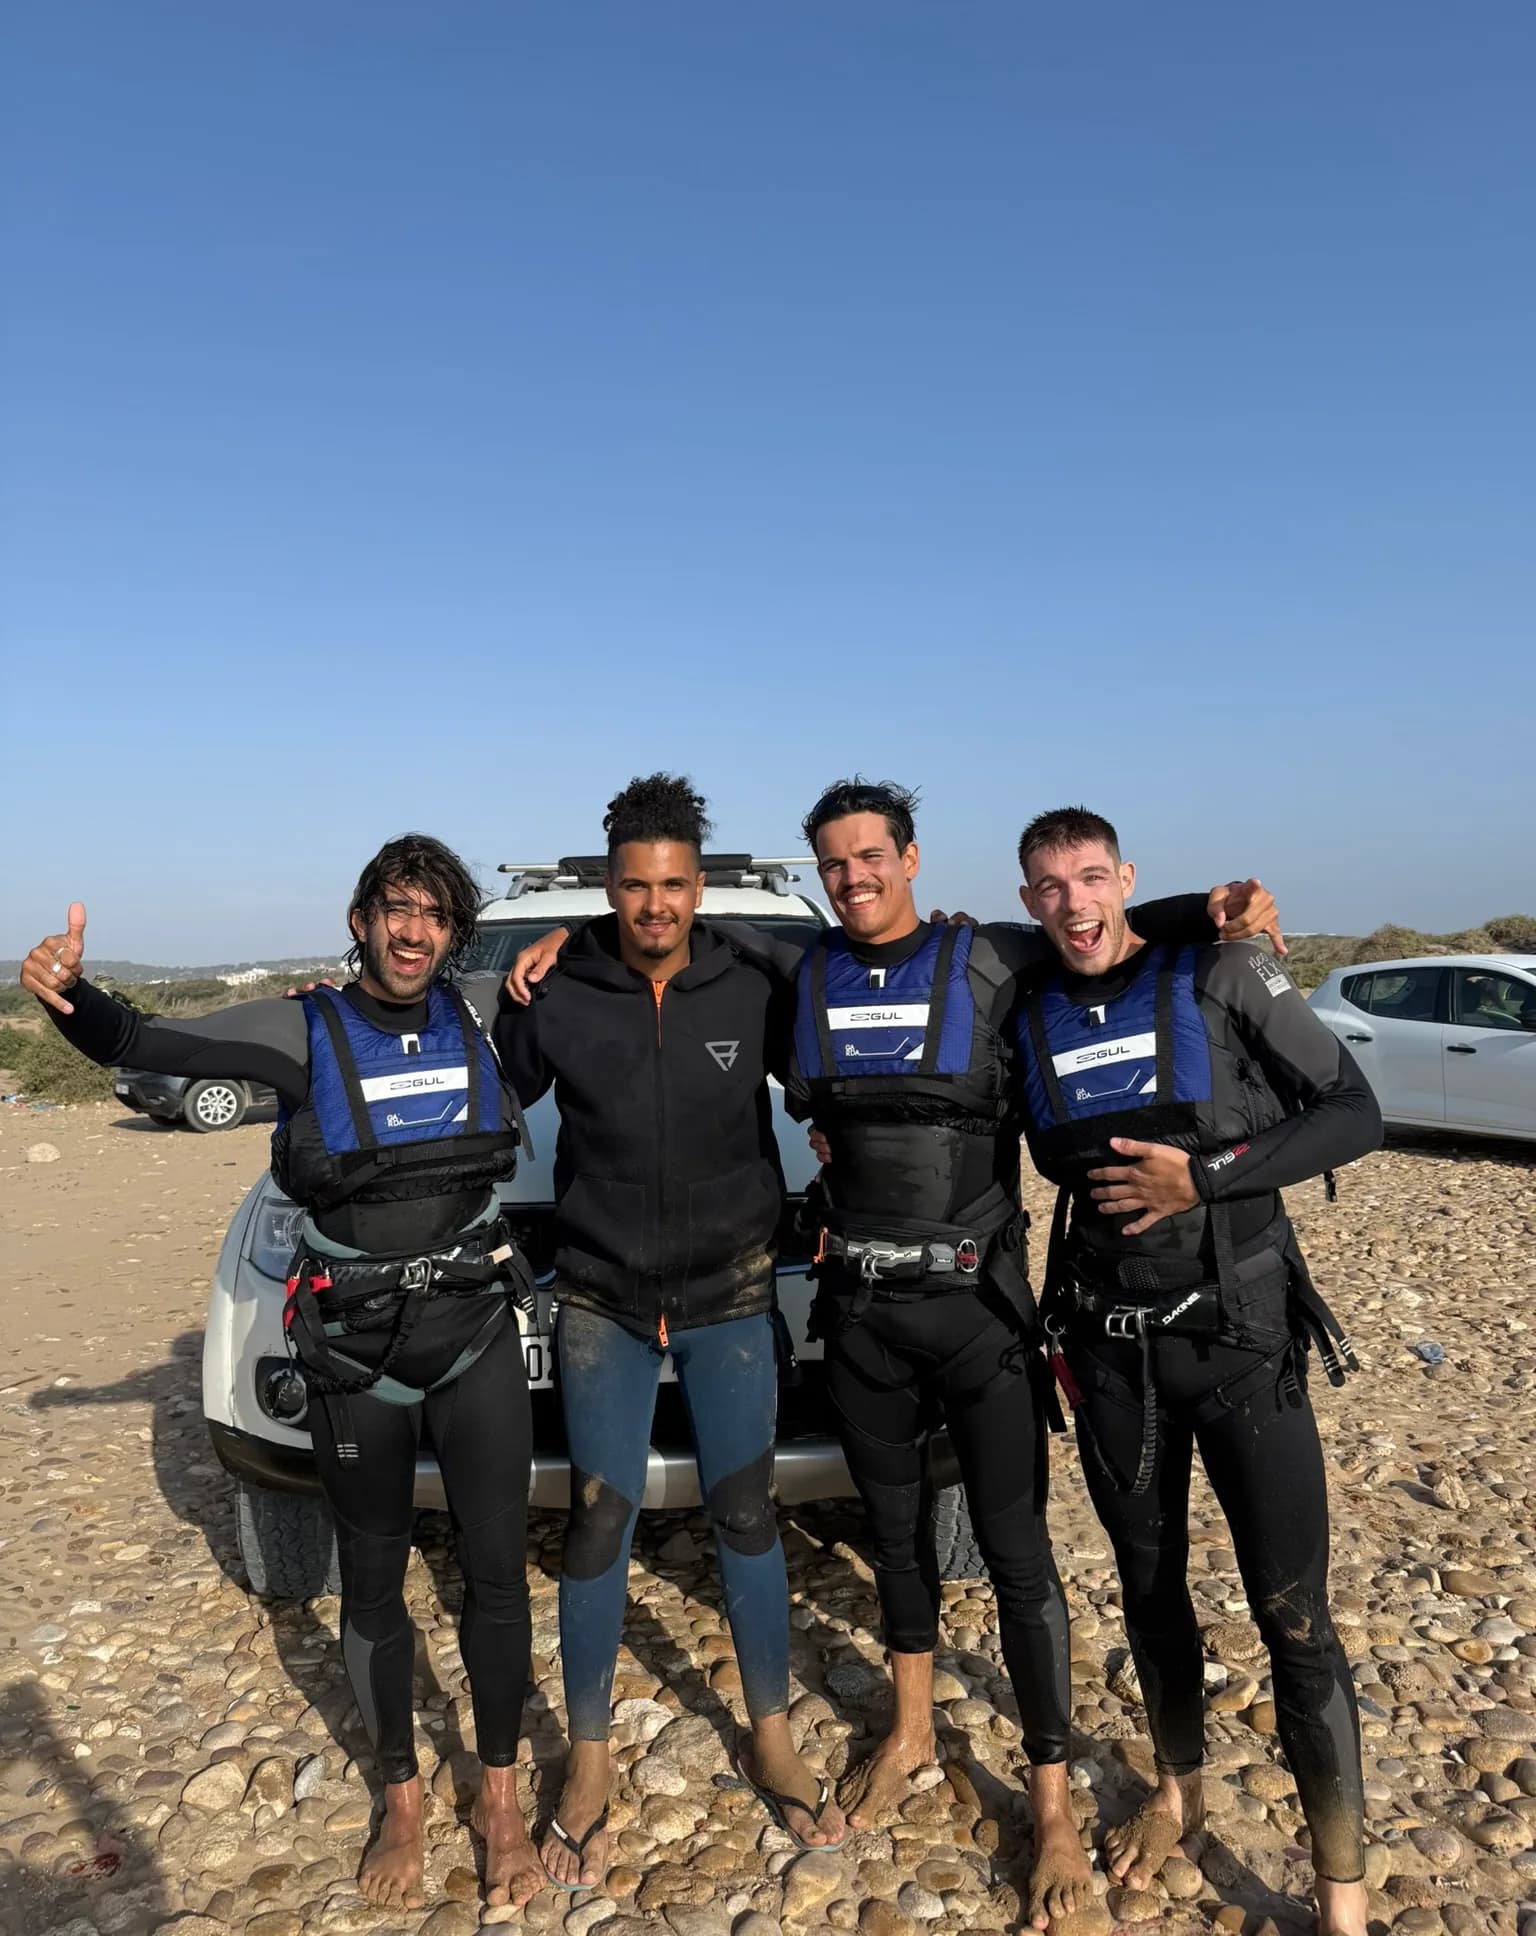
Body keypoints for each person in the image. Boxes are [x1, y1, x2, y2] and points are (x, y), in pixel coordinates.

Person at [509, 779, 1279, 1931]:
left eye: (871, 856)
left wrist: (1202, 906)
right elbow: (490, 1073)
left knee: (928, 1546)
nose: (853, 876)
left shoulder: (902, 957)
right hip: (727, 1301)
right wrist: (545, 942)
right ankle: (710, 1749)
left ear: (909, 856)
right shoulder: (677, 975)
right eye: (836, 862)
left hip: (892, 1300)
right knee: (711, 1529)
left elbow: (1087, 929)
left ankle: (991, 1785)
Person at [21, 837, 545, 1914]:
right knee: (370, 1579)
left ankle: (498, 1796)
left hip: (473, 1335)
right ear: (361, 918)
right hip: (357, 1352)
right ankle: (400, 1791)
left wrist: (567, 938)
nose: (413, 930)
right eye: (395, 909)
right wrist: (70, 998)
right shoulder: (301, 1028)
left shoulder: (489, 1010)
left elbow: (630, 955)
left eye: (435, 914)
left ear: (455, 930)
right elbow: (154, 1036)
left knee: (498, 1576)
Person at [1011, 806, 1380, 1936]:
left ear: (1126, 876)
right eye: (1049, 887)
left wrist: (1205, 1176)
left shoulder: (1222, 973)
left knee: (1293, 1615)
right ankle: (1177, 1789)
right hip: (1113, 1351)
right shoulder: (1029, 1002)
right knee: (1149, 1588)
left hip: (1239, 1340)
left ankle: (1343, 1895)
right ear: (1029, 901)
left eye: (1091, 877)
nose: (1073, 902)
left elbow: (1354, 1111)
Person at [492, 774, 845, 1889]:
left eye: (675, 884)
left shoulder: (754, 975)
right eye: (637, 886)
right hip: (599, 1293)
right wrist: (369, 1002)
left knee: (746, 1511)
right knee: (597, 1520)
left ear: (700, 882)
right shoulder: (557, 985)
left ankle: (772, 1733)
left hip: (732, 1290)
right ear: (612, 885)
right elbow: (479, 1088)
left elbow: (853, 1058)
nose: (657, 904)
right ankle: (589, 1761)